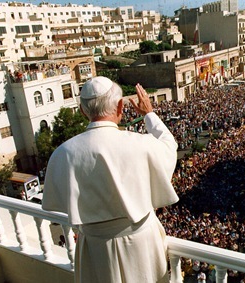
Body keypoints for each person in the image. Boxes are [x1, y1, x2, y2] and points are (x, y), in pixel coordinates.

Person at [42, 76, 179, 283]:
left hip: (95, 249)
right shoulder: (140, 143)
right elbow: (170, 145)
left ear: (82, 111)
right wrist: (149, 114)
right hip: (141, 244)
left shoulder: (63, 153)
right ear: (120, 107)